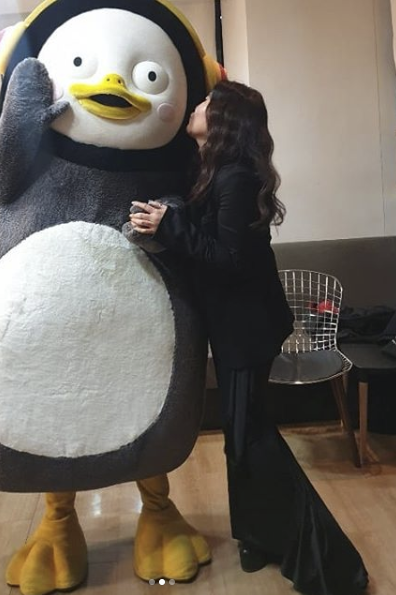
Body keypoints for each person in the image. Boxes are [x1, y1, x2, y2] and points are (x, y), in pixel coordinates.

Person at [128, 80, 368, 595]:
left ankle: (329, 561)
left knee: (250, 440)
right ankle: (257, 538)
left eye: (206, 103)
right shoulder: (213, 171)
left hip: (248, 327)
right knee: (241, 440)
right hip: (237, 324)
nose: (196, 107)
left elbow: (229, 259)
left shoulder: (234, 176)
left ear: (224, 119)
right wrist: (171, 220)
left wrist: (170, 226)